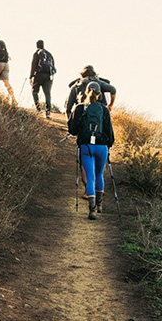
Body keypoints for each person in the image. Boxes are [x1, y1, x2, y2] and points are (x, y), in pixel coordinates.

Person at [67, 81, 115, 220]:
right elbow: (109, 132)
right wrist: (108, 145)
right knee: (99, 175)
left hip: (86, 146)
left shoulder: (80, 108)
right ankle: (99, 206)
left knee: (90, 177)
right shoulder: (104, 110)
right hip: (101, 147)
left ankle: (92, 210)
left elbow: (72, 130)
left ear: (85, 92)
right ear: (100, 94)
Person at [29, 40, 56, 119]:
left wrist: (31, 76)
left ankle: (38, 109)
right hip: (48, 76)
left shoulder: (36, 53)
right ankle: (48, 112)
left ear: (36, 45)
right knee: (47, 94)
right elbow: (53, 65)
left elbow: (33, 65)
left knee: (35, 92)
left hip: (38, 76)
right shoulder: (49, 54)